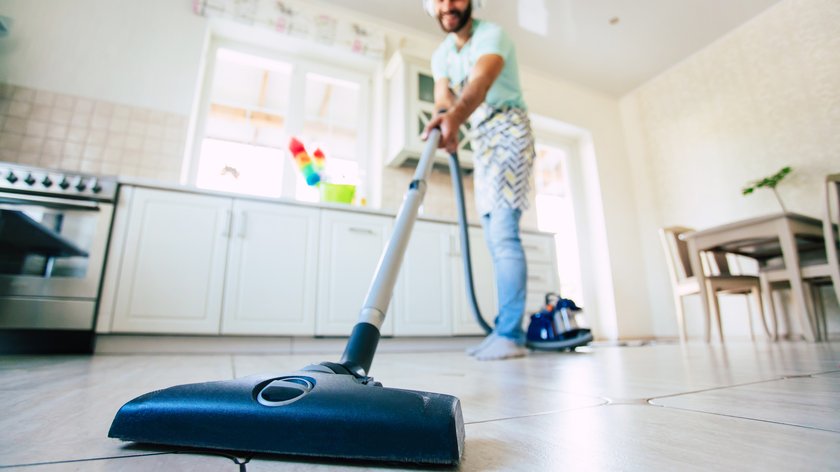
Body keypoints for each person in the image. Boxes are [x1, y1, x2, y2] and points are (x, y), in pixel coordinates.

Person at [421, 0, 535, 361]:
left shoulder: (492, 35)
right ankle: (503, 330)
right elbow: (444, 98)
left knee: (503, 233)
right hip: (482, 139)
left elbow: (480, 85)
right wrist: (444, 120)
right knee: (492, 235)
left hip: (510, 129)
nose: (448, 5)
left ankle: (511, 334)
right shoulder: (441, 55)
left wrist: (454, 118)